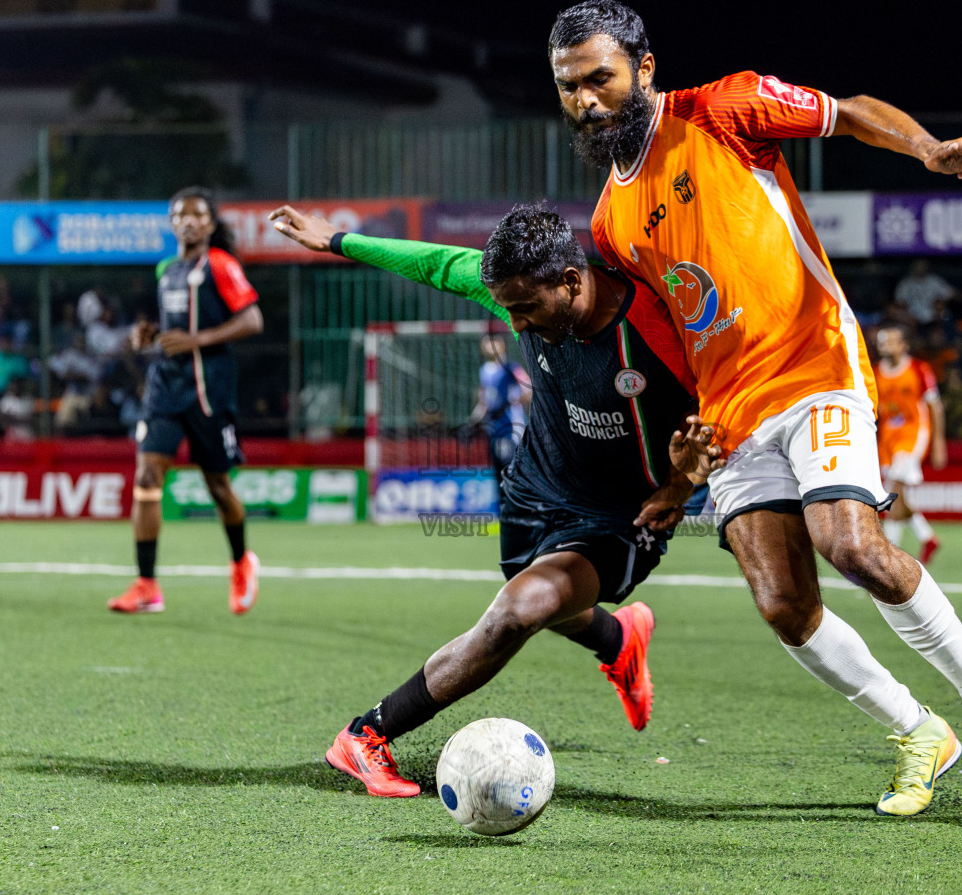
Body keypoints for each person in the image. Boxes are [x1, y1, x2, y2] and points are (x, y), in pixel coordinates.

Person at [556, 0, 962, 816]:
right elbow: (669, 345)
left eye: (599, 79)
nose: (585, 100)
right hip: (730, 413)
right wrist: (680, 474)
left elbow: (853, 114)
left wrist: (928, 148)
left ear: (645, 69)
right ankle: (919, 731)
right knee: (784, 603)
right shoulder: (610, 224)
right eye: (570, 87)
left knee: (849, 544)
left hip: (814, 363)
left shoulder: (722, 109)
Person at [269, 201, 720, 799]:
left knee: (519, 610)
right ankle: (618, 641)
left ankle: (366, 735)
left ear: (571, 280)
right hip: (534, 487)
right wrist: (338, 242)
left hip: (624, 514)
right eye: (509, 311)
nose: (519, 325)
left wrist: (682, 486)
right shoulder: (518, 294)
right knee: (534, 593)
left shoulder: (659, 330)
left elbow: (723, 409)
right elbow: (434, 263)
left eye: (527, 309)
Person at [107, 187, 265, 616]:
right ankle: (146, 586)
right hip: (165, 387)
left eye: (197, 215)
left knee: (217, 485)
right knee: (146, 475)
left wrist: (198, 340)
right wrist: (147, 336)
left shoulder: (221, 264)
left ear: (210, 224)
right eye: (180, 214)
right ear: (172, 222)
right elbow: (171, 326)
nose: (188, 221)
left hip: (208, 391)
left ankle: (240, 563)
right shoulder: (166, 269)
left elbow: (252, 319)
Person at [873, 325, 946, 564]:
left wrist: (938, 441)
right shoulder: (875, 372)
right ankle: (928, 538)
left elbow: (935, 406)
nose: (886, 346)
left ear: (904, 345)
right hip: (887, 440)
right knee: (896, 495)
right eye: (883, 342)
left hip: (913, 435)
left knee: (893, 491)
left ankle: (887, 553)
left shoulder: (918, 369)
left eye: (892, 341)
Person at [470, 333, 529, 494]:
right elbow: (484, 402)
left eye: (493, 341)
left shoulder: (511, 368)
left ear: (502, 344)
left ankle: (519, 506)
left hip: (511, 427)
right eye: (486, 342)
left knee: (514, 466)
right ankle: (504, 508)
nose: (489, 344)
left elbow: (528, 388)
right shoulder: (484, 372)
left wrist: (515, 400)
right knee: (498, 469)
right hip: (494, 428)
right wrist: (473, 421)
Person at [893, 260, 958, 327]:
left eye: (923, 266)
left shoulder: (934, 280)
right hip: (911, 320)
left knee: (947, 316)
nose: (921, 268)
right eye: (918, 266)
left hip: (933, 319)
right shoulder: (905, 284)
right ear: (913, 267)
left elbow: (951, 293)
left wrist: (940, 304)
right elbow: (900, 303)